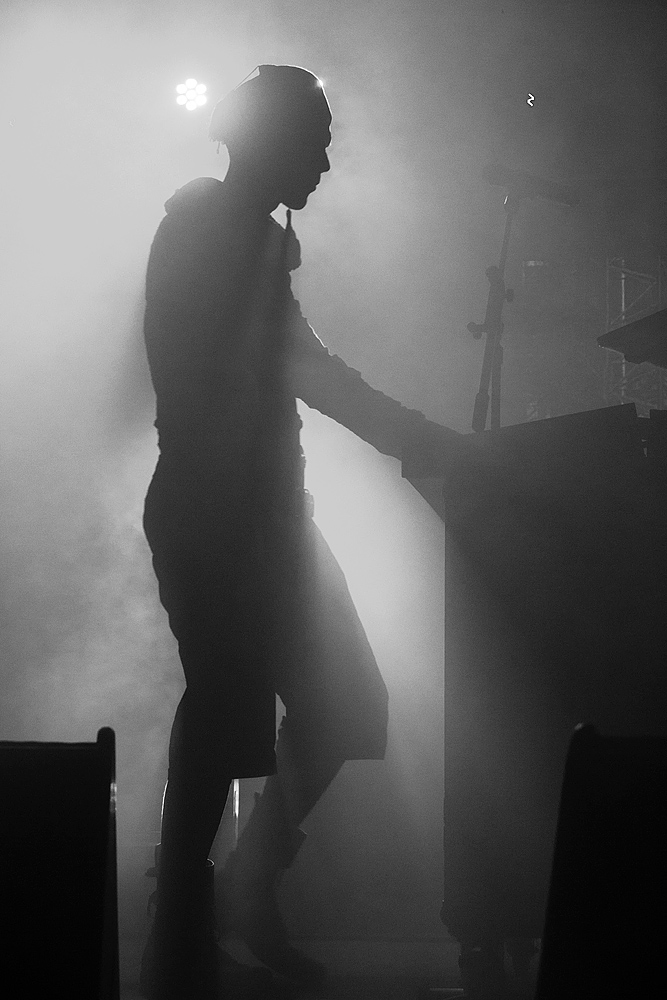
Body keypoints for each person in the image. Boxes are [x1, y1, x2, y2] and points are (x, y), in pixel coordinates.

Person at [139, 64, 467, 1000]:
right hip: (229, 517)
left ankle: (212, 902)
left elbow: (293, 366)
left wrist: (417, 440)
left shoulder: (226, 230)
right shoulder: (221, 234)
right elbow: (304, 370)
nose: (324, 163)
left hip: (255, 516)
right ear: (271, 139)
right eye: (314, 142)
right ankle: (198, 911)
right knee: (241, 711)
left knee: (300, 707)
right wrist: (423, 441)